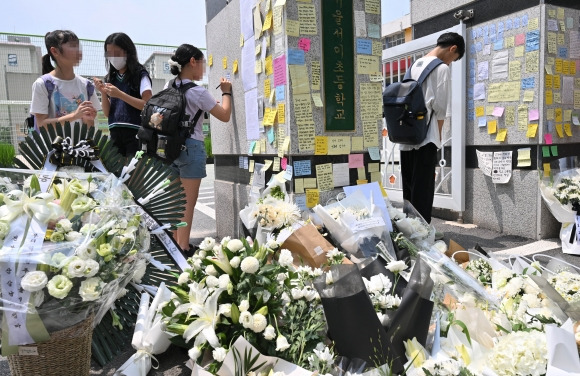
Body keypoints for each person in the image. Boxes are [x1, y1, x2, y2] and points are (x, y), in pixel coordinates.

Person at [167, 44, 232, 255]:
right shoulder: (197, 92)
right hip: (191, 148)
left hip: (169, 149)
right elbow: (224, 115)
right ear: (192, 62)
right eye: (202, 63)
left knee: (176, 202)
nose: (203, 68)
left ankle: (176, 245)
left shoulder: (170, 87)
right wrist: (227, 92)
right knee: (187, 203)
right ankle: (184, 248)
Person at [398, 32, 465, 229]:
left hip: (406, 137)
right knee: (424, 190)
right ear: (453, 48)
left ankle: (408, 230)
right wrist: (437, 139)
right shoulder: (442, 68)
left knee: (409, 189)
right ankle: (421, 234)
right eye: (454, 58)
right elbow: (441, 109)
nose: (451, 63)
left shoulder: (413, 65)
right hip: (426, 137)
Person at [94, 33, 152, 156]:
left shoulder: (140, 75)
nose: (113, 57)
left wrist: (120, 94)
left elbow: (147, 105)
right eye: (109, 53)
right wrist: (103, 93)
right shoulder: (111, 78)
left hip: (135, 132)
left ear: (127, 52)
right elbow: (107, 113)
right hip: (115, 132)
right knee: (117, 173)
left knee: (134, 173)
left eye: (117, 53)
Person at [31, 30, 100, 129]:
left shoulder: (87, 85)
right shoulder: (43, 84)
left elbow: (89, 127)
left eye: (78, 46)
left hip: (80, 144)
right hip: (52, 145)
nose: (78, 50)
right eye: (72, 46)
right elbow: (41, 124)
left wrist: (87, 119)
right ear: (55, 51)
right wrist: (74, 116)